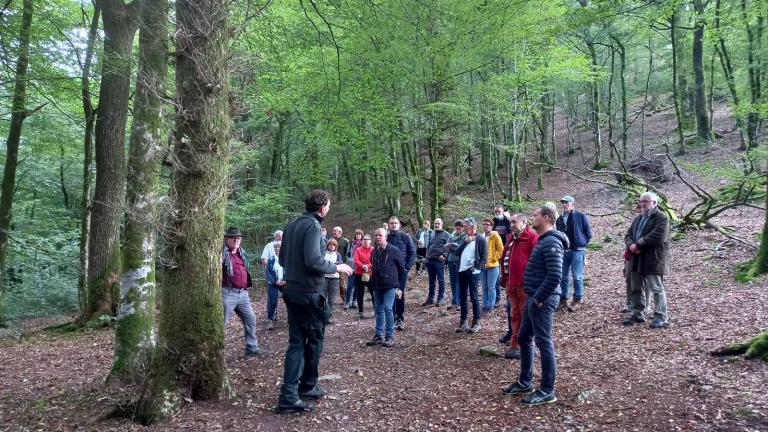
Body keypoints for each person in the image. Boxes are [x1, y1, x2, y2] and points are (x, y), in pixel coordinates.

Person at [277, 190, 353, 414]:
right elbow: (313, 261)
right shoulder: (311, 226)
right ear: (322, 207)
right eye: (328, 205)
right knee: (311, 341)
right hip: (308, 294)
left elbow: (283, 259)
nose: (329, 209)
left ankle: (305, 387)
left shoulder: (292, 224)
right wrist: (337, 267)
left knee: (299, 341)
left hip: (292, 291)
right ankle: (291, 396)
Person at [502, 206, 568, 405]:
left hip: (542, 298)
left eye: (536, 215)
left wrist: (539, 298)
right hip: (533, 296)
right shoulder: (544, 240)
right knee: (523, 336)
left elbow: (555, 275)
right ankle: (525, 381)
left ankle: (547, 390)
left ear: (547, 218)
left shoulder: (552, 242)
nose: (533, 218)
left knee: (544, 341)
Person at [623, 191, 671, 328]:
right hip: (636, 258)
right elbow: (628, 235)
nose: (642, 204)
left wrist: (637, 244)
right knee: (636, 288)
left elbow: (658, 236)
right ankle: (638, 313)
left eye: (646, 201)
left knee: (656, 288)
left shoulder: (662, 218)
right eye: (641, 201)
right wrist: (631, 245)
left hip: (653, 259)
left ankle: (661, 316)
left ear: (655, 203)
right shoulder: (638, 218)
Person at [499, 214, 539, 359]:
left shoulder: (532, 237)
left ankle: (527, 345)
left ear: (524, 222)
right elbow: (506, 258)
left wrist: (532, 281)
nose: (511, 225)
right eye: (510, 223)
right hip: (511, 283)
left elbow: (537, 261)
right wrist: (503, 277)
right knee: (514, 314)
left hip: (524, 284)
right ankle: (515, 344)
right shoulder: (511, 238)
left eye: (514, 222)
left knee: (525, 314)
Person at [222, 227, 264, 358]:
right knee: (221, 323)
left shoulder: (241, 252)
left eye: (238, 238)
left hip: (243, 294)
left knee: (250, 318)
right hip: (227, 293)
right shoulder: (222, 253)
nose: (236, 240)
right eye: (233, 238)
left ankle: (252, 349)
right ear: (226, 239)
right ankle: (216, 353)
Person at [366, 228, 405, 347]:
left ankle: (389, 335)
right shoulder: (374, 252)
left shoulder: (394, 250)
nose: (378, 237)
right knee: (378, 310)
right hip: (377, 285)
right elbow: (374, 266)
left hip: (390, 285)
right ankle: (378, 335)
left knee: (388, 309)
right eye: (376, 235)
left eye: (380, 235)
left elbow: (401, 267)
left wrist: (399, 285)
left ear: (386, 237)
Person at [555, 195, 592, 311]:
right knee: (563, 277)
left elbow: (588, 233)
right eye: (563, 203)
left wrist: (582, 243)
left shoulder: (580, 216)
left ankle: (577, 299)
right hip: (564, 251)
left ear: (572, 204)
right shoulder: (559, 219)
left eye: (567, 202)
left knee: (577, 277)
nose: (565, 205)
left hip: (577, 250)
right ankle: (563, 298)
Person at [452, 217, 487, 333]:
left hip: (473, 272)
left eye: (466, 226)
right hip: (461, 271)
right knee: (462, 296)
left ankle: (476, 322)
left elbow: (484, 258)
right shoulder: (465, 238)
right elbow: (457, 253)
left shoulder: (481, 239)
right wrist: (465, 242)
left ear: (472, 227)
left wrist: (476, 269)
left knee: (473, 295)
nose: (464, 228)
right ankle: (463, 322)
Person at [387, 216, 416, 330]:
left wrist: (406, 268)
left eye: (395, 223)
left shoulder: (405, 237)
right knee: (390, 293)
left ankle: (400, 318)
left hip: (401, 271)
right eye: (391, 223)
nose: (393, 225)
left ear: (399, 224)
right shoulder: (387, 237)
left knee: (399, 294)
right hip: (389, 272)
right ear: (389, 225)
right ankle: (392, 318)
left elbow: (412, 253)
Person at [422, 218, 452, 306]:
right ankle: (430, 298)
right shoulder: (432, 233)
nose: (436, 225)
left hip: (439, 261)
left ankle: (441, 298)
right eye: (435, 223)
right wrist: (426, 257)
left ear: (442, 224)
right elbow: (429, 246)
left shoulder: (446, 234)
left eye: (438, 223)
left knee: (441, 280)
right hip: (430, 260)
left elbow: (449, 246)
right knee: (431, 280)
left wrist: (444, 255)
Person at [480, 218, 504, 311]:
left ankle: (490, 305)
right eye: (484, 224)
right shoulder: (481, 236)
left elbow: (501, 249)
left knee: (491, 287)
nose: (485, 226)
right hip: (482, 266)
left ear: (491, 226)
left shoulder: (495, 235)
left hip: (493, 266)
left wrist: (494, 259)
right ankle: (485, 304)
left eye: (487, 224)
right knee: (484, 287)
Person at [352, 233, 374, 318]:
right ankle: (360, 311)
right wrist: (362, 266)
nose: (366, 241)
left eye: (368, 239)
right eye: (364, 239)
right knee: (360, 292)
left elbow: (374, 260)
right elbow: (356, 260)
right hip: (359, 273)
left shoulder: (373, 250)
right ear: (362, 240)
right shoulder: (358, 250)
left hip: (370, 273)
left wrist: (367, 266)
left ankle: (376, 310)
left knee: (372, 292)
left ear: (370, 241)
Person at [265, 241, 285, 330]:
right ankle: (269, 320)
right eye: (275, 247)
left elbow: (290, 271)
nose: (277, 249)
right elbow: (268, 272)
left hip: (285, 284)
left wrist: (285, 281)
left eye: (279, 247)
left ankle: (293, 319)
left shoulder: (286, 260)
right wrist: (274, 281)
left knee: (290, 301)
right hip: (273, 284)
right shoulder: (271, 259)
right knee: (272, 302)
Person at [446, 219, 466, 311]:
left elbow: (462, 248)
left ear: (463, 227)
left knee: (460, 282)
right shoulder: (451, 235)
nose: (458, 229)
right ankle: (455, 300)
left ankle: (459, 302)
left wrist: (454, 247)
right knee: (453, 281)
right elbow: (448, 247)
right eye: (456, 227)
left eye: (460, 227)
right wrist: (448, 247)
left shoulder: (465, 236)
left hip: (460, 261)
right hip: (451, 260)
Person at [323, 239, 343, 323]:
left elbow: (339, 266)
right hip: (324, 277)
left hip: (334, 278)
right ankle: (322, 315)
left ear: (336, 246)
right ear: (327, 245)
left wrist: (330, 265)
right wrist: (333, 265)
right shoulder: (323, 254)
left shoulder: (338, 255)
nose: (332, 246)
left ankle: (329, 316)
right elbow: (321, 265)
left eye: (333, 245)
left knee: (331, 299)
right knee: (322, 298)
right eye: (330, 244)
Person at [344, 229, 365, 309]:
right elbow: (348, 254)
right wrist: (349, 261)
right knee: (350, 285)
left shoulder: (363, 244)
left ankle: (354, 301)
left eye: (359, 234)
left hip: (359, 268)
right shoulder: (351, 243)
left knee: (357, 285)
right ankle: (347, 301)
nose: (358, 236)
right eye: (357, 234)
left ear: (361, 236)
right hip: (351, 266)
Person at [331, 226, 350, 301]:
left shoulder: (345, 241)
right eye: (333, 230)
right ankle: (330, 298)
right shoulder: (331, 240)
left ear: (340, 232)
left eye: (335, 231)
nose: (333, 232)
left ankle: (344, 298)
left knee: (342, 282)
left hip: (342, 264)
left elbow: (348, 253)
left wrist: (345, 263)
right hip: (332, 265)